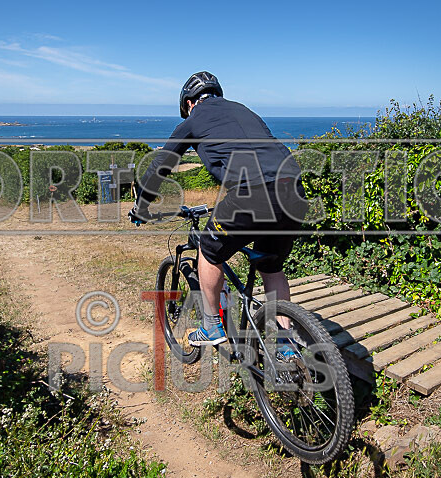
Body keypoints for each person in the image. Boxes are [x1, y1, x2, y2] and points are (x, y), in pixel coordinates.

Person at [129, 71, 307, 347]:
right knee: (272, 267)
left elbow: (160, 165)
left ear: (189, 102)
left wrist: (141, 205)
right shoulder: (243, 110)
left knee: (209, 250)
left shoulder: (194, 119)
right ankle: (286, 346)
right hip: (293, 190)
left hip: (252, 193)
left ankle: (212, 326)